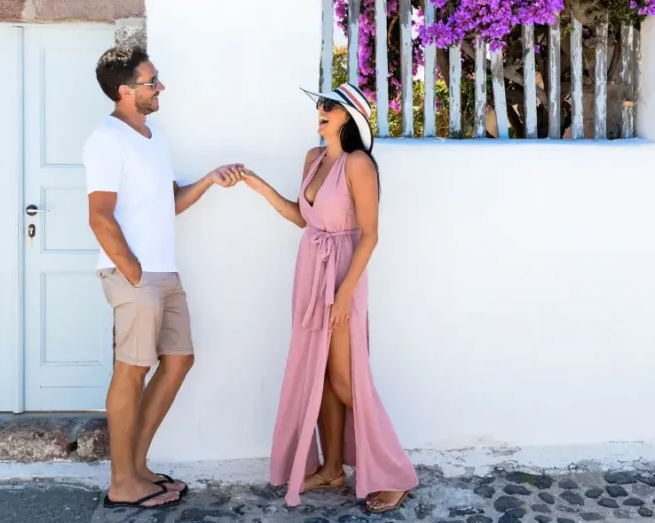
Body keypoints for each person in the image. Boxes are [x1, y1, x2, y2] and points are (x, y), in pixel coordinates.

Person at [240, 83, 418, 513]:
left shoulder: (358, 164)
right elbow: (303, 218)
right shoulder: (313, 159)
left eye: (330, 106)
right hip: (310, 272)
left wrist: (343, 295)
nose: (320, 110)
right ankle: (332, 468)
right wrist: (258, 185)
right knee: (318, 378)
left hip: (342, 277)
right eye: (320, 105)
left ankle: (397, 473)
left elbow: (371, 236)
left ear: (351, 116)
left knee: (344, 379)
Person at [83, 46, 243, 510]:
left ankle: (137, 467)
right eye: (152, 82)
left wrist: (210, 179)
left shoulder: (154, 136)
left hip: (164, 272)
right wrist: (133, 272)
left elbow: (168, 201)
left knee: (178, 361)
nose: (160, 88)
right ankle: (121, 484)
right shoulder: (106, 140)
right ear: (125, 91)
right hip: (134, 275)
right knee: (131, 373)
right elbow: (99, 216)